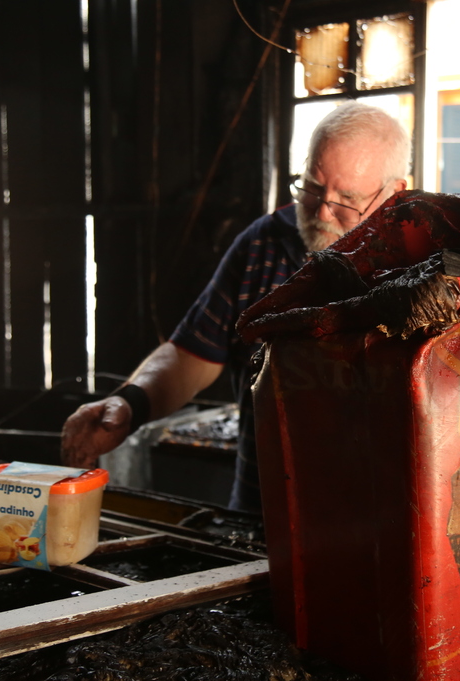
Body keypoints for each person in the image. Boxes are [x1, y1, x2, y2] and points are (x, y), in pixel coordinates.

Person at [60, 102, 411, 512]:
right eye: (312, 188)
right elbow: (193, 352)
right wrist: (129, 404)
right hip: (261, 516)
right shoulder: (264, 243)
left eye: (346, 200)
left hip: (384, 525)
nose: (320, 212)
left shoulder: (427, 263)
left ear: (395, 193)